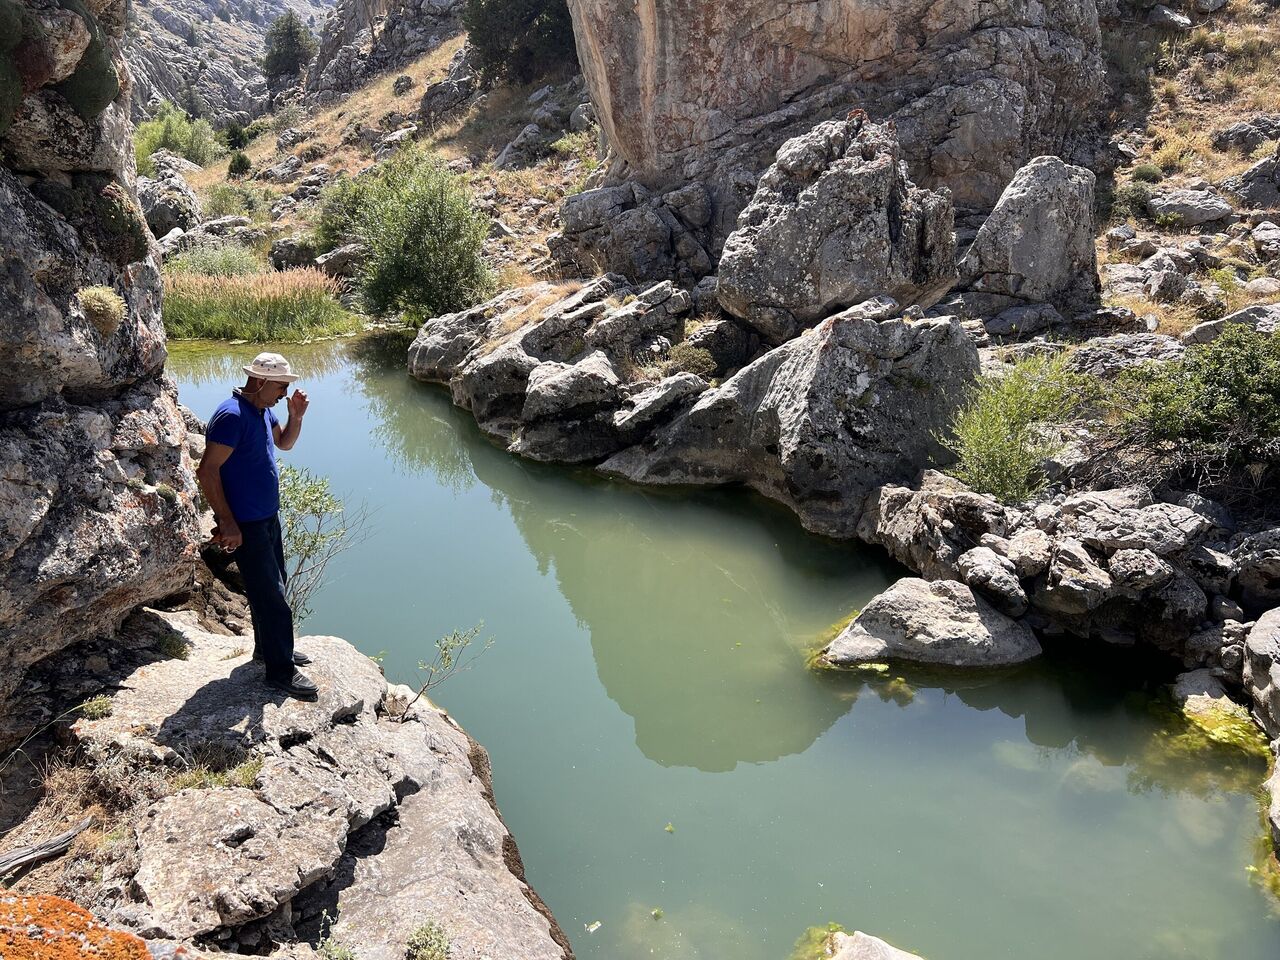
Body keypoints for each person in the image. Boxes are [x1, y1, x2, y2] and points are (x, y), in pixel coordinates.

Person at [195, 352, 317, 701]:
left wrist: (295, 416)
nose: (283, 393)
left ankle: (270, 650)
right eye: (280, 387)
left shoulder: (263, 410)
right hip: (246, 523)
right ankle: (280, 671)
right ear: (260, 382)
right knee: (272, 595)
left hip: (267, 517)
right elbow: (207, 471)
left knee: (274, 585)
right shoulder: (231, 416)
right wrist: (228, 522)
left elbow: (285, 443)